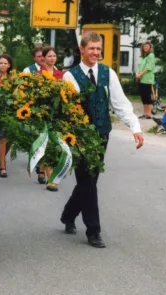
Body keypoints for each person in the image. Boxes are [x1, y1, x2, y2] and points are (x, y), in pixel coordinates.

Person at [61, 32, 144, 248]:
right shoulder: (70, 76)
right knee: (88, 180)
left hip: (102, 134)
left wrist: (135, 127)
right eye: (92, 48)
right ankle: (93, 230)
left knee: (89, 181)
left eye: (99, 49)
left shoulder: (108, 73)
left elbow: (120, 103)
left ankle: (68, 215)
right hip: (79, 137)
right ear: (81, 49)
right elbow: (68, 110)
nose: (96, 53)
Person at [36, 46, 64, 190]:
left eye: (54, 56)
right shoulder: (39, 74)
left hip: (57, 112)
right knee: (46, 143)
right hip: (43, 112)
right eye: (49, 56)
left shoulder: (60, 74)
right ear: (44, 58)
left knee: (53, 142)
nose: (52, 58)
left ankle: (42, 170)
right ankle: (50, 177)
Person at [137, 41, 155, 119]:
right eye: (145, 46)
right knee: (143, 97)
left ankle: (149, 114)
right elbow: (139, 67)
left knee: (147, 97)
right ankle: (145, 113)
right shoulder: (143, 57)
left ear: (150, 48)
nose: (146, 48)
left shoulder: (151, 55)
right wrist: (137, 74)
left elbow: (148, 68)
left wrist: (140, 75)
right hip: (141, 79)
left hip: (147, 79)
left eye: (147, 46)